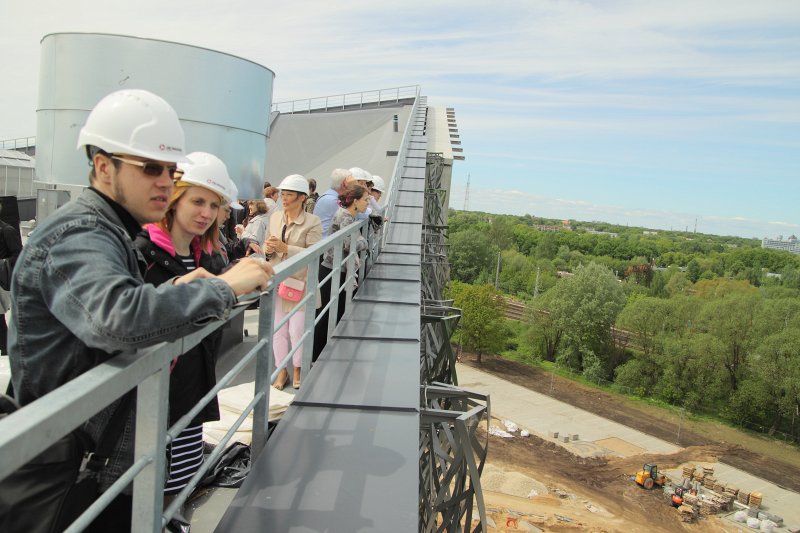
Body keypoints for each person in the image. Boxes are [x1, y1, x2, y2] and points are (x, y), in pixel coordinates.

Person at [4, 89, 272, 531]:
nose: (166, 181)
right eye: (150, 168)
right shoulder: (80, 232)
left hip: (89, 461)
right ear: (104, 166)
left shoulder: (107, 231)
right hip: (69, 471)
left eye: (170, 169)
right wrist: (224, 286)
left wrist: (171, 289)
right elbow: (118, 319)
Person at [133, 151, 238, 502]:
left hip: (190, 391)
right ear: (174, 198)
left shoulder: (205, 256)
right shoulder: (140, 254)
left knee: (180, 487)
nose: (206, 213)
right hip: (149, 401)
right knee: (150, 494)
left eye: (213, 204)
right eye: (197, 201)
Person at [263, 174, 322, 390]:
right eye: (283, 194)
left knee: (296, 330)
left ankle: (298, 368)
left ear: (302, 198)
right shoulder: (276, 217)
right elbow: (266, 246)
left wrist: (286, 249)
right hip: (278, 282)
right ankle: (281, 370)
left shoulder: (312, 222)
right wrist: (267, 250)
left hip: (301, 283)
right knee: (278, 330)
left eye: (289, 195)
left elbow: (315, 253)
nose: (284, 198)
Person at [313, 184, 369, 361]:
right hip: (334, 271)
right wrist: (364, 241)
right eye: (365, 200)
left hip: (333, 269)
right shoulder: (346, 217)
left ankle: (318, 356)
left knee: (329, 314)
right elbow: (348, 244)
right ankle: (317, 356)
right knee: (328, 316)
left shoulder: (347, 215)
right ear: (355, 201)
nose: (368, 203)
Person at [0, 213, 22, 355]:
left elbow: (18, 255)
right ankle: (6, 347)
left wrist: (1, 263)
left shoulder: (7, 231)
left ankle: (6, 347)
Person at [313, 168, 352, 237]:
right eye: (351, 183)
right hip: (327, 244)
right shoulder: (334, 201)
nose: (352, 186)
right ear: (344, 184)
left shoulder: (326, 196)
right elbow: (360, 215)